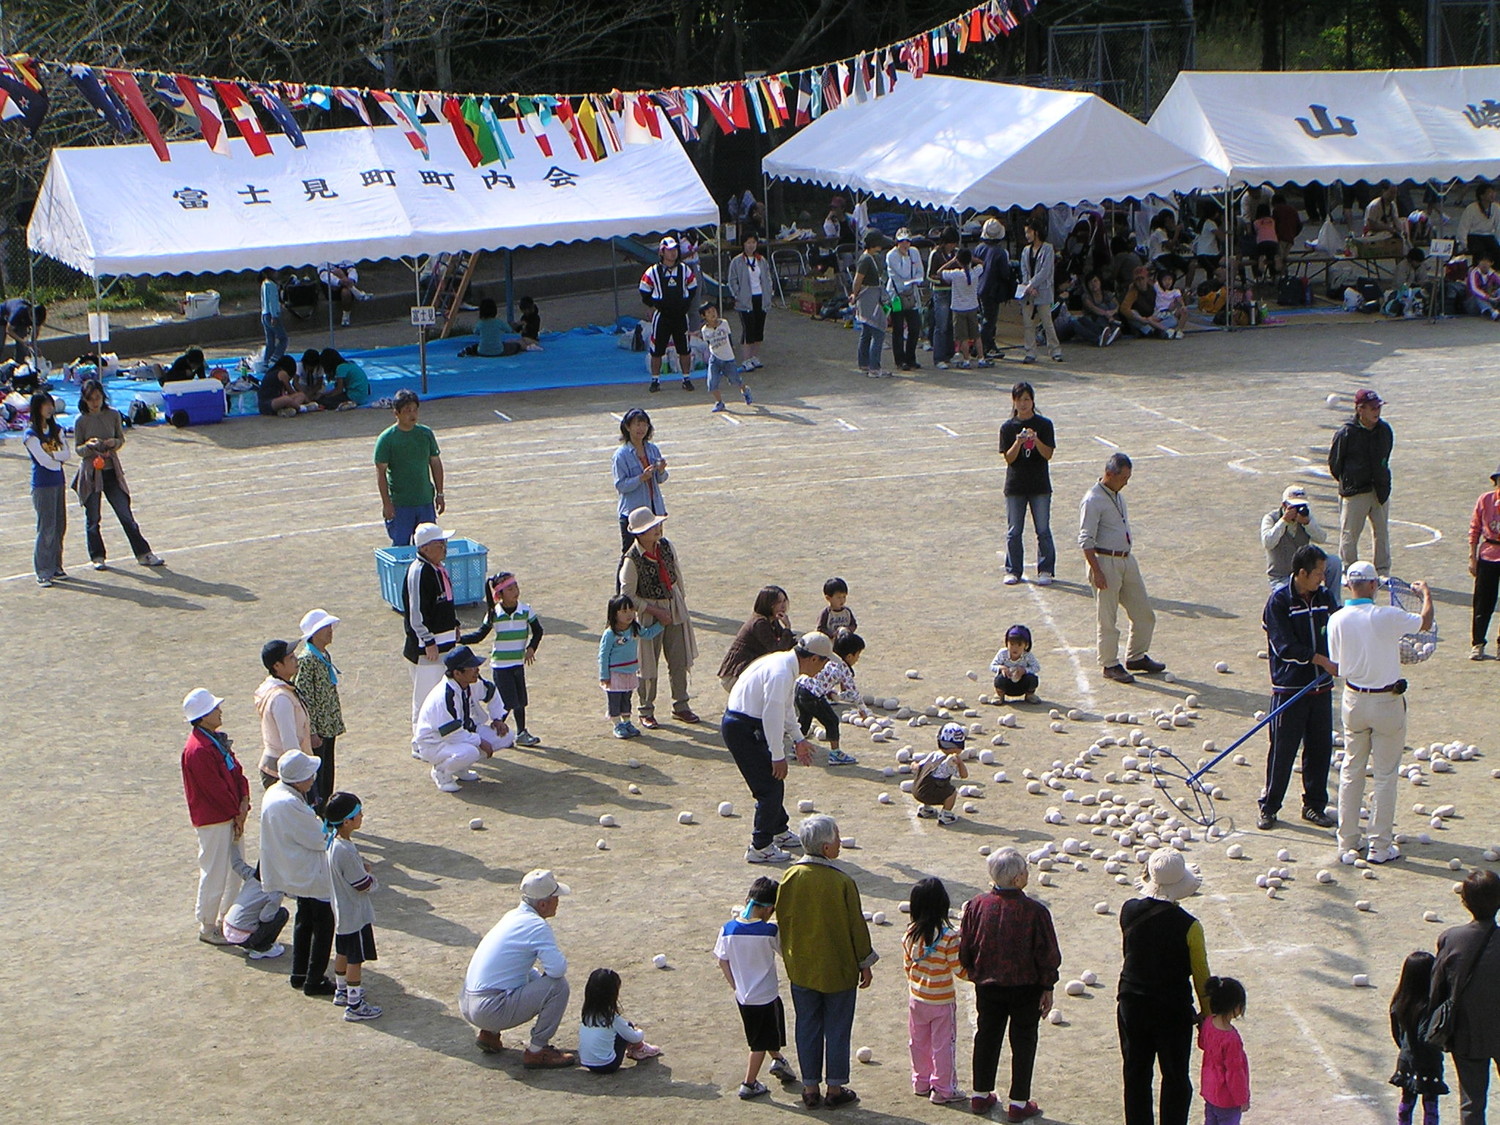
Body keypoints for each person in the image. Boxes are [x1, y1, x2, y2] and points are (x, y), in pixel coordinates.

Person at [1329, 561, 1433, 864]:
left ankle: (1347, 842)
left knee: (1351, 770)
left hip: (1353, 700)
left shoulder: (1336, 619)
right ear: (1374, 585)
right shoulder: (1387, 615)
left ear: (1349, 586)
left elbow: (1337, 665)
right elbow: (1425, 622)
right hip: (1386, 702)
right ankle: (1379, 846)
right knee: (1385, 775)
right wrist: (1426, 593)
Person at [775, 814, 877, 1110]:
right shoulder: (842, 881)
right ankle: (834, 1088)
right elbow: (856, 926)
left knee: (806, 1025)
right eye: (837, 838)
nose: (840, 842)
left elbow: (784, 920)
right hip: (839, 969)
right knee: (837, 1028)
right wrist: (865, 962)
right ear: (826, 847)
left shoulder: (790, 877)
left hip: (803, 968)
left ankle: (809, 1088)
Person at [960, 847, 1060, 1120]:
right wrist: (1048, 987)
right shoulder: (1036, 912)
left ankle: (980, 1095)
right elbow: (1047, 953)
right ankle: (1018, 1102)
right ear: (1017, 879)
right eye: (1025, 870)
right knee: (1024, 1041)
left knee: (986, 1036)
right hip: (1026, 988)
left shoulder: (976, 905)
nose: (1028, 873)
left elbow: (966, 944)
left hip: (987, 986)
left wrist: (973, 970)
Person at [1118, 848, 1211, 1125]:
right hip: (1172, 1009)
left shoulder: (1128, 911)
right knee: (1175, 1077)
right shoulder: (1190, 926)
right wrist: (1207, 1013)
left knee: (1136, 1074)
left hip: (1132, 1004)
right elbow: (1201, 974)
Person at [721, 634, 828, 863]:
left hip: (746, 724)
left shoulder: (784, 664)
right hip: (743, 728)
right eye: (824, 662)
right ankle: (760, 846)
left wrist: (799, 739)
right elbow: (772, 716)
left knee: (772, 782)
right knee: (769, 788)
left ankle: (779, 830)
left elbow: (786, 709)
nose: (824, 669)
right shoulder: (781, 673)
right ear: (814, 659)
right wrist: (778, 756)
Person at [1258, 544, 1339, 832]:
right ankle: (1269, 806)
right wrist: (1320, 660)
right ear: (1302, 573)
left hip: (1321, 688)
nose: (1323, 578)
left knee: (1320, 749)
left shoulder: (1325, 597)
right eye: (1318, 573)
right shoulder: (1279, 602)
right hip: (1290, 690)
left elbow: (1338, 629)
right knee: (1282, 751)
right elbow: (1284, 647)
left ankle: (1314, 805)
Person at [461, 868, 577, 1067]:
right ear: (543, 904)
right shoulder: (537, 926)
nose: (558, 901)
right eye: (555, 897)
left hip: (467, 1004)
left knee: (527, 974)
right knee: (557, 987)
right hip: (489, 1009)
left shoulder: (511, 916)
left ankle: (489, 1034)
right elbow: (557, 970)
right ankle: (537, 1051)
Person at [1079, 453, 1166, 685]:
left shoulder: (1117, 496)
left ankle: (1136, 656)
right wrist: (1097, 571)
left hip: (1126, 560)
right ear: (1109, 474)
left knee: (1144, 613)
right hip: (1105, 561)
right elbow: (1085, 539)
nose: (1126, 482)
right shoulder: (1092, 500)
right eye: (1123, 478)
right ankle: (1109, 664)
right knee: (1107, 618)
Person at [259, 748, 336, 996]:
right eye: (309, 775)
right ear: (299, 779)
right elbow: (319, 838)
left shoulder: (275, 793)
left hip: (294, 869)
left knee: (304, 920)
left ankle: (299, 973)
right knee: (323, 924)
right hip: (308, 871)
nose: (313, 779)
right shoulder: (290, 803)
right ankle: (315, 979)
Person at [715, 876, 798, 1099]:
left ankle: (778, 1060)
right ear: (770, 909)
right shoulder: (769, 931)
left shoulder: (727, 929)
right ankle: (749, 1083)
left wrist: (736, 986)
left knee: (766, 1032)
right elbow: (788, 953)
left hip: (743, 996)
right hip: (766, 996)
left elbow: (722, 961)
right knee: (759, 1043)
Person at [180, 688, 250, 946]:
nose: (219, 711)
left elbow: (237, 773)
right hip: (216, 820)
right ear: (202, 716)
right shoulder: (198, 750)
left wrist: (243, 802)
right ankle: (208, 925)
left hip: (230, 816)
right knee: (215, 872)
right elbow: (215, 791)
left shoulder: (214, 742)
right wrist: (237, 813)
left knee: (234, 871)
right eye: (213, 709)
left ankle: (228, 920)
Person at [618, 507, 699, 728]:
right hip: (648, 615)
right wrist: (654, 611)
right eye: (652, 527)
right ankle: (645, 709)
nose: (658, 529)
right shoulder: (631, 560)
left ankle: (681, 705)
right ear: (640, 533)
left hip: (673, 607)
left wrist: (679, 603)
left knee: (678, 659)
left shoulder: (666, 546)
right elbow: (627, 595)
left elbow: (677, 576)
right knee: (647, 664)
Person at [1430, 869, 1500, 1125]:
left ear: (1465, 902)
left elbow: (1436, 987)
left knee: (1472, 1103)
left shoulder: (1452, 938)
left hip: (1467, 1031)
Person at [72, 379, 163, 569]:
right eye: (90, 399)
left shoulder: (113, 414)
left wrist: (114, 443)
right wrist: (89, 446)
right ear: (84, 400)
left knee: (126, 515)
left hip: (111, 471)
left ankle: (144, 553)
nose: (95, 402)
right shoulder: (81, 421)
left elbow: (120, 439)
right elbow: (78, 449)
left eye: (98, 398)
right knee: (93, 518)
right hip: (91, 473)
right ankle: (97, 556)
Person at [903, 876, 967, 1106]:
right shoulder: (948, 937)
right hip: (941, 1002)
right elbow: (959, 970)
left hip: (917, 999)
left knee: (918, 1042)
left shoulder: (910, 934)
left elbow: (908, 967)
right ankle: (942, 1089)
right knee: (943, 1046)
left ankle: (921, 1082)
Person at [461, 572, 544, 745]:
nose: (516, 591)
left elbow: (538, 631)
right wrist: (459, 639)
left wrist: (531, 648)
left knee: (520, 700)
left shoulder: (526, 610)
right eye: (510, 589)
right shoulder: (494, 614)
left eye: (516, 587)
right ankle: (497, 732)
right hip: (500, 666)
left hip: (517, 663)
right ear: (500, 594)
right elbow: (479, 636)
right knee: (507, 702)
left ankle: (520, 732)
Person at [415, 645, 514, 791]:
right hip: (435, 743)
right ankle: (441, 772)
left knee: (506, 736)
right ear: (457, 673)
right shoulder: (444, 696)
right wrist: (480, 741)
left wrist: (497, 718)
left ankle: (461, 768)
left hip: (461, 732)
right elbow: (451, 734)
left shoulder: (471, 683)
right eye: (472, 667)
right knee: (470, 751)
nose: (477, 670)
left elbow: (491, 691)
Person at [323, 792, 382, 1021]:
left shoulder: (334, 842)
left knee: (343, 952)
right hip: (354, 914)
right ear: (347, 821)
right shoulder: (344, 850)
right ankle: (355, 1005)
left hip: (342, 913)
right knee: (355, 959)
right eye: (358, 813)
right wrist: (370, 877)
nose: (362, 816)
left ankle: (341, 991)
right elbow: (362, 885)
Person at [402, 523, 459, 750]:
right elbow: (416, 614)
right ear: (425, 548)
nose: (444, 547)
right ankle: (419, 743)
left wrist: (454, 624)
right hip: (427, 650)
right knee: (425, 697)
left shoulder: (438, 569)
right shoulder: (419, 572)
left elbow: (445, 604)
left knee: (441, 696)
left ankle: (438, 737)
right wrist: (428, 641)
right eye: (439, 544)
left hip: (444, 645)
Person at [1329, 389, 1395, 576]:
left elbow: (1385, 456)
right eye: (1373, 408)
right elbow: (1335, 464)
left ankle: (1382, 571)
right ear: (1360, 409)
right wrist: (1350, 481)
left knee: (1382, 533)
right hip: (1355, 492)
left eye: (1378, 407)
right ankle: (1349, 571)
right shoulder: (1346, 433)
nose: (1377, 411)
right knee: (1349, 534)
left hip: (1379, 489)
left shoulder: (1384, 430)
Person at [1000, 381, 1057, 586]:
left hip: (1039, 485)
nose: (1023, 404)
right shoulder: (1007, 428)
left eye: (1026, 399)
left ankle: (1046, 569)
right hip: (1016, 486)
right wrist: (1018, 442)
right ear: (1014, 402)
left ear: (1033, 401)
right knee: (1014, 531)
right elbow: (1009, 458)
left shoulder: (1044, 424)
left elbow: (1048, 454)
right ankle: (1013, 570)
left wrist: (1036, 440)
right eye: (1019, 400)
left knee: (1043, 530)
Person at [374, 389, 444, 548]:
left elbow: (435, 463)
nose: (412, 414)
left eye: (414, 410)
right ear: (396, 413)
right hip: (401, 504)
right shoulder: (387, 439)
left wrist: (440, 494)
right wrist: (386, 503)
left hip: (425, 501)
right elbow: (381, 473)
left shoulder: (425, 434)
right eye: (407, 411)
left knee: (428, 545)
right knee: (401, 546)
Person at [293, 609, 344, 807]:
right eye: (325, 628)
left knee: (328, 770)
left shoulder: (323, 655)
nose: (330, 631)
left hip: (329, 724)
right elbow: (305, 698)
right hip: (319, 729)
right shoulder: (307, 660)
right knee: (319, 775)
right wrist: (312, 731)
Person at [1390, 950, 1446, 1125]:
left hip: (1406, 1058)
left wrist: (1405, 1048)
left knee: (1407, 1100)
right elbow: (1426, 1036)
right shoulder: (1429, 1006)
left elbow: (1397, 1033)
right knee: (1430, 1103)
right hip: (1429, 1061)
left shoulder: (1400, 1001)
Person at [795, 631, 867, 766]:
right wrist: (862, 709)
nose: (857, 659)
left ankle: (797, 747)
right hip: (813, 695)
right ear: (850, 656)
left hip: (800, 687)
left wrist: (832, 693)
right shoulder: (844, 668)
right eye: (858, 655)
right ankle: (835, 754)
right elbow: (853, 692)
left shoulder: (827, 657)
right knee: (832, 721)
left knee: (805, 718)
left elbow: (823, 678)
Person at [253, 639, 315, 789]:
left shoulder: (280, 689)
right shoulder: (281, 698)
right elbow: (289, 741)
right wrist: (301, 774)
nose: (296, 660)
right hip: (285, 772)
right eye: (290, 658)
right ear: (277, 666)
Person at [23, 391, 70, 587]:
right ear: (37, 408)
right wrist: (55, 458)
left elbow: (66, 454)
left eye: (51, 404)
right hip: (43, 485)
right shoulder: (31, 435)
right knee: (46, 527)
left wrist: (54, 457)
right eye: (45, 405)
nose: (50, 408)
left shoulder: (57, 430)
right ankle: (43, 570)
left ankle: (56, 566)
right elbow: (43, 461)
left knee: (59, 525)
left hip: (58, 482)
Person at [598, 594, 662, 740]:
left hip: (630, 672)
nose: (629, 614)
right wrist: (604, 675)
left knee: (626, 699)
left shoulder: (634, 628)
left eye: (631, 610)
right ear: (614, 614)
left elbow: (648, 634)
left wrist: (661, 625)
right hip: (615, 674)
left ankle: (626, 722)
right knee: (615, 701)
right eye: (624, 611)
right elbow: (603, 655)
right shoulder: (610, 634)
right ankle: (617, 725)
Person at [639, 236, 696, 393]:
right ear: (662, 252)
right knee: (657, 349)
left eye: (675, 250)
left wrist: (685, 303)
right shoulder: (653, 271)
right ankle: (655, 380)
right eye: (669, 250)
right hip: (662, 316)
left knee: (684, 348)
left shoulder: (684, 269)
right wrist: (653, 304)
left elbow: (693, 285)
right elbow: (644, 288)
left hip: (680, 316)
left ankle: (686, 378)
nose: (673, 253)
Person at [578, 967, 662, 1073]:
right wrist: (639, 1031)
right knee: (627, 1027)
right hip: (608, 1065)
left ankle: (635, 1049)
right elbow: (634, 1037)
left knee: (613, 1033)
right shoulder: (612, 1018)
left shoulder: (586, 1015)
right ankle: (641, 1049)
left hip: (586, 1062)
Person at [1261, 483, 1339, 595]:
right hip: (1282, 577)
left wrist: (1307, 524)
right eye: (1294, 506)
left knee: (1334, 562)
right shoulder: (1271, 518)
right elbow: (1268, 543)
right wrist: (1284, 521)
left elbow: (1321, 538)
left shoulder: (1307, 517)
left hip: (1306, 572)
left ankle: (1334, 601)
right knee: (1288, 597)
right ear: (1284, 505)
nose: (1299, 510)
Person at [718, 585, 796, 691]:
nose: (783, 606)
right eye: (779, 602)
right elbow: (777, 651)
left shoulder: (772, 621)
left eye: (784, 601)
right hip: (734, 676)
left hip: (748, 672)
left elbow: (787, 644)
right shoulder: (760, 623)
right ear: (769, 604)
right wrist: (787, 628)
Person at [612, 408, 667, 554]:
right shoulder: (621, 455)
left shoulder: (653, 449)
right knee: (631, 554)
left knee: (656, 551)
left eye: (644, 425)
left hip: (654, 510)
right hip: (633, 514)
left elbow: (661, 479)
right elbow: (620, 485)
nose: (641, 429)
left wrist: (661, 470)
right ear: (627, 427)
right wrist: (640, 478)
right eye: (637, 425)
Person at [1198, 977, 1251, 1125]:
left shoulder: (1208, 1023)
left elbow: (1202, 1044)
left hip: (1210, 1091)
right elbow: (1235, 1073)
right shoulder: (1231, 1039)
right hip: (1227, 1099)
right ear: (1235, 1006)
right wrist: (1242, 1098)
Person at [222, 848, 288, 959]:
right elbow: (265, 918)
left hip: (227, 928)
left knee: (253, 912)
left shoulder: (250, 875)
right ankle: (261, 948)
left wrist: (235, 843)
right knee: (282, 913)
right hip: (244, 936)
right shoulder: (274, 893)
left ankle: (250, 944)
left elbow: (236, 863)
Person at [1018, 217, 1061, 365]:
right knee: (1028, 324)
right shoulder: (1025, 250)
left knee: (1047, 322)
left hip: (1043, 290)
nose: (1027, 235)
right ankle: (1030, 352)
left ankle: (1055, 350)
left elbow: (1045, 271)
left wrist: (1032, 284)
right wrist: (1028, 286)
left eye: (1029, 232)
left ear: (1036, 232)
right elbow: (1024, 270)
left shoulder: (1048, 249)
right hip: (1028, 292)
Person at [699, 302, 752, 413]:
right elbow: (708, 343)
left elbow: (729, 336)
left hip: (728, 359)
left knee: (735, 380)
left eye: (714, 311)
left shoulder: (724, 323)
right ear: (704, 316)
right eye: (709, 312)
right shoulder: (704, 330)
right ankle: (719, 402)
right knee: (712, 383)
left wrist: (732, 348)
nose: (712, 314)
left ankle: (745, 390)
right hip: (714, 359)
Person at [1470, 464, 1500, 661]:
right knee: (1483, 602)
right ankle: (1478, 643)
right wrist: (1472, 557)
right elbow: (1475, 529)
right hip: (1488, 555)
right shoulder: (1485, 500)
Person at [912, 722, 970, 825]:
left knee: (928, 782)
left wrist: (913, 765)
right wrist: (960, 763)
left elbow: (919, 766)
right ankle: (946, 814)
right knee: (951, 791)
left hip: (916, 790)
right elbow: (964, 775)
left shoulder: (934, 754)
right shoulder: (950, 762)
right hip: (928, 794)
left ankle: (926, 809)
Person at [850, 230, 890, 377]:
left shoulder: (874, 257)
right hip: (869, 298)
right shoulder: (866, 259)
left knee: (867, 331)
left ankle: (864, 363)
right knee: (878, 331)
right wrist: (854, 295)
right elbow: (858, 280)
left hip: (871, 297)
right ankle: (874, 367)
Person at [727, 233, 769, 371]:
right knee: (748, 329)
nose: (751, 245)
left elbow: (767, 278)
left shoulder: (761, 260)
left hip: (760, 298)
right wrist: (737, 295)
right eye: (748, 242)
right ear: (743, 244)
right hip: (745, 300)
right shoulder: (737, 261)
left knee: (759, 330)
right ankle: (746, 359)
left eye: (753, 242)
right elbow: (732, 280)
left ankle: (754, 356)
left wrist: (769, 292)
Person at [885, 228, 925, 372]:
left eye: (908, 241)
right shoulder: (891, 255)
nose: (905, 244)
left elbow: (920, 272)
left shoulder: (914, 252)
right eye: (902, 241)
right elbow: (903, 273)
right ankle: (900, 360)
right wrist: (906, 258)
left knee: (914, 327)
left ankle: (911, 358)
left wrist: (915, 278)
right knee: (898, 328)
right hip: (896, 295)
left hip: (911, 294)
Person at [938, 247, 985, 368]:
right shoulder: (975, 272)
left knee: (963, 337)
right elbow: (982, 263)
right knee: (976, 335)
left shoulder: (956, 274)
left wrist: (952, 260)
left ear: (958, 261)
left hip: (959, 308)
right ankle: (981, 358)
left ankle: (966, 360)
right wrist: (972, 259)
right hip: (972, 307)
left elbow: (939, 272)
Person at [973, 217, 1013, 359]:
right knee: (989, 320)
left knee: (984, 318)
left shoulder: (979, 248)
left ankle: (988, 345)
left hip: (978, 287)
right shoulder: (1000, 252)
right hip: (992, 290)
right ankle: (981, 347)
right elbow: (1004, 273)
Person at [927, 226, 961, 368]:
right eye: (950, 243)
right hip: (940, 292)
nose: (952, 246)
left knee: (951, 325)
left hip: (954, 291)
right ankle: (939, 357)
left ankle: (949, 354)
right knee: (941, 325)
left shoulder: (955, 253)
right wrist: (942, 279)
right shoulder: (935, 254)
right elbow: (929, 276)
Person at [991, 624, 1041, 704]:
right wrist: (1001, 668)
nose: (1015, 648)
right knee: (999, 679)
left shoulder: (1027, 656)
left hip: (1022, 685)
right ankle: (999, 695)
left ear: (1026, 645)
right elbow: (992, 666)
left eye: (1019, 645)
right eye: (1012, 644)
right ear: (1007, 643)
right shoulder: (1003, 653)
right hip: (1007, 684)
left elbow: (1037, 667)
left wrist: (1024, 670)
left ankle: (1030, 695)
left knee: (1033, 678)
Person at [1120, 266, 1176, 339]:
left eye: (1142, 278)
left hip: (1154, 316)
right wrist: (1140, 318)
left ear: (1147, 278)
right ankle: (1154, 330)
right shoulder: (1133, 291)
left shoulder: (1154, 287)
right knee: (1132, 315)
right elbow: (1124, 308)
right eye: (1137, 280)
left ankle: (1153, 330)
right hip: (1141, 319)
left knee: (1173, 319)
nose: (1140, 282)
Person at [1458, 182, 1500, 264]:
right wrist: (1464, 244)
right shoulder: (1471, 208)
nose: (1492, 195)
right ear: (1482, 196)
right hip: (1474, 236)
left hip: (1489, 236)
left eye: (1493, 192)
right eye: (1489, 193)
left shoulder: (1496, 207)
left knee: (1497, 252)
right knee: (1480, 253)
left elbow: (1499, 226)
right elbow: (1463, 227)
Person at [320, 261, 371, 327]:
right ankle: (357, 293)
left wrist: (350, 280)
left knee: (346, 292)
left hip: (346, 287)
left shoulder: (345, 259)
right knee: (338, 272)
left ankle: (346, 316)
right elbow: (324, 276)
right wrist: (339, 281)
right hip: (332, 287)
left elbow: (352, 270)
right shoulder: (323, 261)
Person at [1, 296, 45, 362]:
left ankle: (19, 363)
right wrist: (23, 341)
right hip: (2, 317)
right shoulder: (18, 311)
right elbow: (9, 330)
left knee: (22, 347)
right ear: (30, 314)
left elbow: (36, 331)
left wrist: (33, 345)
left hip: (20, 322)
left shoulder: (38, 318)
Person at [260, 269, 287, 367]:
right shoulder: (271, 285)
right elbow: (272, 301)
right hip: (271, 315)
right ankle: (275, 358)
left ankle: (266, 361)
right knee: (283, 339)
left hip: (264, 314)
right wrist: (274, 316)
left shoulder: (264, 283)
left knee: (270, 341)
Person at [1152, 269, 1188, 338]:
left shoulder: (1175, 291)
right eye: (1165, 280)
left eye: (1169, 279)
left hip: (1170, 312)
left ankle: (1179, 331)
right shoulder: (1157, 287)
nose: (1167, 282)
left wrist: (1183, 305)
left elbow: (1179, 299)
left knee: (1184, 311)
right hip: (1159, 312)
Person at [1469, 254, 1500, 320]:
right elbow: (1474, 289)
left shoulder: (1493, 273)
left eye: (1487, 261)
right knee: (1478, 295)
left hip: (1489, 300)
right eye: (1482, 261)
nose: (1484, 264)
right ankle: (1492, 312)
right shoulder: (1474, 273)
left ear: (1491, 263)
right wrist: (1488, 298)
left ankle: (1494, 311)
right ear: (1478, 262)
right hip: (1474, 302)